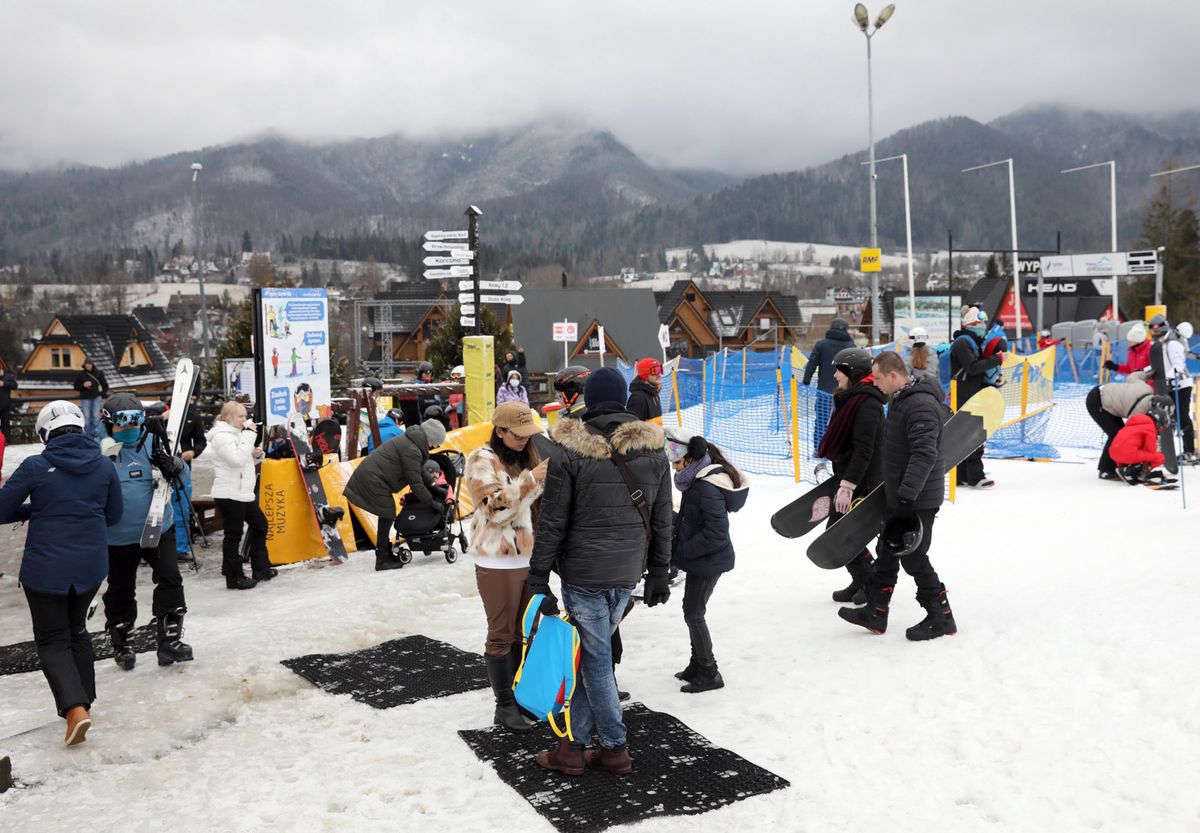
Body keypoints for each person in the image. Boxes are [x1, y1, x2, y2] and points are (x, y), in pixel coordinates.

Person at [528, 366, 673, 777]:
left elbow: (552, 520)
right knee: (594, 656)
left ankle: (613, 747)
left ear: (587, 398)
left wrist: (538, 577)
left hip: (583, 572)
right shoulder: (654, 448)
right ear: (625, 398)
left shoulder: (570, 449)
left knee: (594, 661)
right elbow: (663, 519)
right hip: (628, 571)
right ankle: (572, 746)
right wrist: (659, 571)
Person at [0, 401, 122, 746]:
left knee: (53, 639)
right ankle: (84, 702)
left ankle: (75, 709)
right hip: (91, 566)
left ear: (45, 433)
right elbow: (113, 516)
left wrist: (36, 508)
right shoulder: (104, 466)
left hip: (46, 569)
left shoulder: (36, 465)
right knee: (77, 631)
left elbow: (1, 508)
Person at [839, 351, 957, 641]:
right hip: (903, 493)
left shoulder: (919, 405)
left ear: (893, 375)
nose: (874, 383)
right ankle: (876, 611)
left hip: (917, 497)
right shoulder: (902, 399)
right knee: (888, 549)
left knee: (913, 556)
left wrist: (906, 499)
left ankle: (941, 617)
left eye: (877, 378)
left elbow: (924, 454)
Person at [464, 401, 549, 733]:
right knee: (502, 635)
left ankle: (521, 696)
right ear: (500, 431)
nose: (525, 440)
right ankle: (504, 706)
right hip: (497, 560)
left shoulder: (528, 458)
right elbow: (493, 510)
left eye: (529, 434)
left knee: (526, 633)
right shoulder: (481, 460)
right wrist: (532, 480)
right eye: (518, 434)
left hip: (530, 558)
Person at [99, 393, 193, 669]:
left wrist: (176, 467)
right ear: (109, 424)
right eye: (122, 425)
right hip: (117, 536)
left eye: (135, 422)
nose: (129, 430)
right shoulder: (101, 451)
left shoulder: (154, 442)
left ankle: (169, 642)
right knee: (120, 588)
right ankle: (122, 642)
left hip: (158, 526)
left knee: (170, 579)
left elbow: (181, 477)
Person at [666, 431, 747, 694]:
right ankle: (697, 664)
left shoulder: (706, 487)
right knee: (691, 610)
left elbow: (716, 534)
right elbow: (694, 520)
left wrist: (683, 552)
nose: (675, 469)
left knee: (694, 613)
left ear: (690, 460)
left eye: (677, 464)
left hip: (709, 560)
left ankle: (709, 671)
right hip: (703, 559)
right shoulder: (697, 482)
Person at [816, 348, 887, 605]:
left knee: (840, 532)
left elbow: (864, 449)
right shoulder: (851, 398)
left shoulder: (868, 403)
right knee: (843, 532)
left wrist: (848, 485)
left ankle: (869, 582)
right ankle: (861, 580)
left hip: (863, 482)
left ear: (852, 373)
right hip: (850, 476)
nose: (835, 375)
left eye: (839, 370)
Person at [343, 417, 448, 571]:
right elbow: (416, 483)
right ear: (430, 439)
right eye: (436, 443)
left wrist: (435, 487)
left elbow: (419, 470)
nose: (435, 447)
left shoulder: (412, 443)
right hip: (373, 479)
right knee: (387, 512)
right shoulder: (412, 449)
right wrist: (432, 502)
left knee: (387, 512)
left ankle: (384, 552)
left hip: (374, 477)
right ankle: (382, 558)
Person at [207, 400, 274, 589]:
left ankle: (260, 568)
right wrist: (248, 438)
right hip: (229, 493)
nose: (244, 420)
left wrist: (255, 454)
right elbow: (236, 460)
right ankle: (234, 576)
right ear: (228, 417)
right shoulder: (221, 436)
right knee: (233, 534)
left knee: (260, 525)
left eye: (245, 416)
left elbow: (243, 460)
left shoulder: (237, 434)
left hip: (243, 492)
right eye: (240, 416)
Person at [950, 307, 1002, 488]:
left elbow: (972, 372)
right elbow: (972, 367)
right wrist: (997, 359)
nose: (984, 326)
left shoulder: (970, 342)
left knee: (966, 434)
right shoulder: (964, 343)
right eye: (981, 323)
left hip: (968, 394)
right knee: (973, 434)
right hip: (963, 396)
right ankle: (974, 475)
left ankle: (962, 475)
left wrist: (992, 383)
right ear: (971, 324)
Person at [1085, 370, 1157, 480]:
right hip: (1097, 401)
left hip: (1104, 392)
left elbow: (1133, 377)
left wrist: (1148, 374)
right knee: (1116, 435)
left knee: (1118, 433)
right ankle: (1106, 470)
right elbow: (1131, 436)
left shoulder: (1146, 389)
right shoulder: (1139, 412)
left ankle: (1115, 466)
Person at [1109, 396, 1175, 483]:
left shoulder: (1134, 422)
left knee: (1136, 452)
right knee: (1159, 457)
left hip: (1113, 453)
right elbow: (1150, 449)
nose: (1160, 430)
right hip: (1128, 454)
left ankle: (1124, 470)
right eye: (1161, 427)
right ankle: (1136, 472)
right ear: (1158, 421)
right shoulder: (1150, 427)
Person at [1165, 322, 1196, 463]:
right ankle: (1165, 449)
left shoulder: (1177, 343)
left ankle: (1189, 451)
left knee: (1182, 416)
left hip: (1182, 385)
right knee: (1171, 416)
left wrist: (1172, 378)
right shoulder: (1171, 340)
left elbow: (1179, 363)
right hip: (1172, 384)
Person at [802, 318, 855, 393]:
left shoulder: (821, 345)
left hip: (823, 391)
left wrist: (806, 381)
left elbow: (811, 364)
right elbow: (856, 368)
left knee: (822, 404)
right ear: (846, 330)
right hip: (845, 391)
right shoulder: (851, 347)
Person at [73, 359, 109, 438]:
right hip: (85, 398)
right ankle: (88, 435)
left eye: (89, 364)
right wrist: (83, 385)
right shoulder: (81, 374)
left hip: (96, 398)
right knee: (87, 417)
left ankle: (97, 434)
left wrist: (101, 394)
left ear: (92, 365)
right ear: (84, 365)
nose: (88, 365)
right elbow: (75, 387)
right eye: (86, 364)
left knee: (96, 417)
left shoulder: (98, 373)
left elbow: (105, 385)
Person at [906, 327, 942, 395]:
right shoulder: (934, 357)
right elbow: (938, 378)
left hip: (914, 395)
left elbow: (906, 380)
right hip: (932, 393)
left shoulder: (908, 359)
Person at [627, 358, 664, 423]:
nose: (659, 374)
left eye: (660, 369)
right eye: (655, 371)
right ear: (645, 374)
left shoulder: (654, 393)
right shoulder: (638, 398)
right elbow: (633, 429)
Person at [0, 361, 18, 440]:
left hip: (5, 406)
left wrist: (4, 384)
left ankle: (6, 440)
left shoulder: (7, 377)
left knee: (5, 424)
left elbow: (15, 385)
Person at [448, 365, 466, 429]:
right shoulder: (453, 387)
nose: (456, 380)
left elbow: (466, 401)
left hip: (461, 419)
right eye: (454, 377)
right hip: (452, 419)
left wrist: (453, 406)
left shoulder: (466, 388)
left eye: (458, 378)